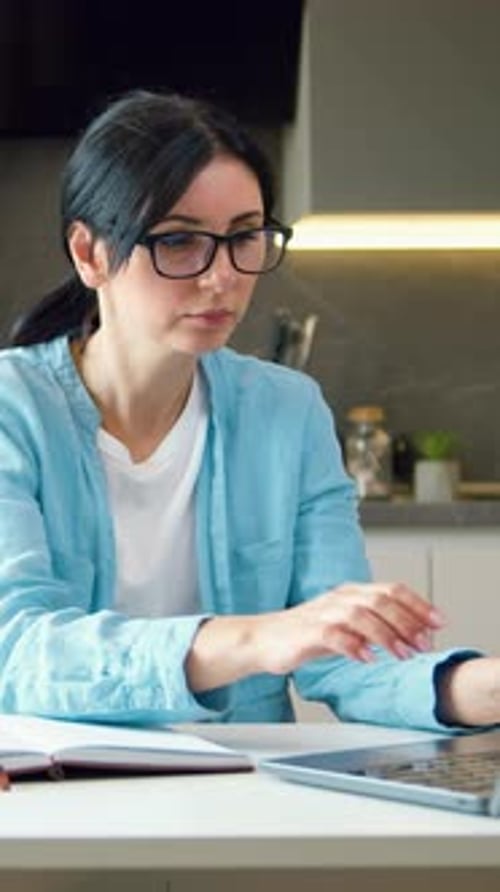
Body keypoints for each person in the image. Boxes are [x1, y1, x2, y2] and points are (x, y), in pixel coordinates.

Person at [0, 90, 497, 730]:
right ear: (90, 254)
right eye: (179, 241)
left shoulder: (287, 411)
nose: (222, 277)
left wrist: (484, 687)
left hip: (244, 778)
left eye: (244, 237)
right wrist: (258, 638)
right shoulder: (15, 408)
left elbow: (348, 661)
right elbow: (18, 651)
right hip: (57, 778)